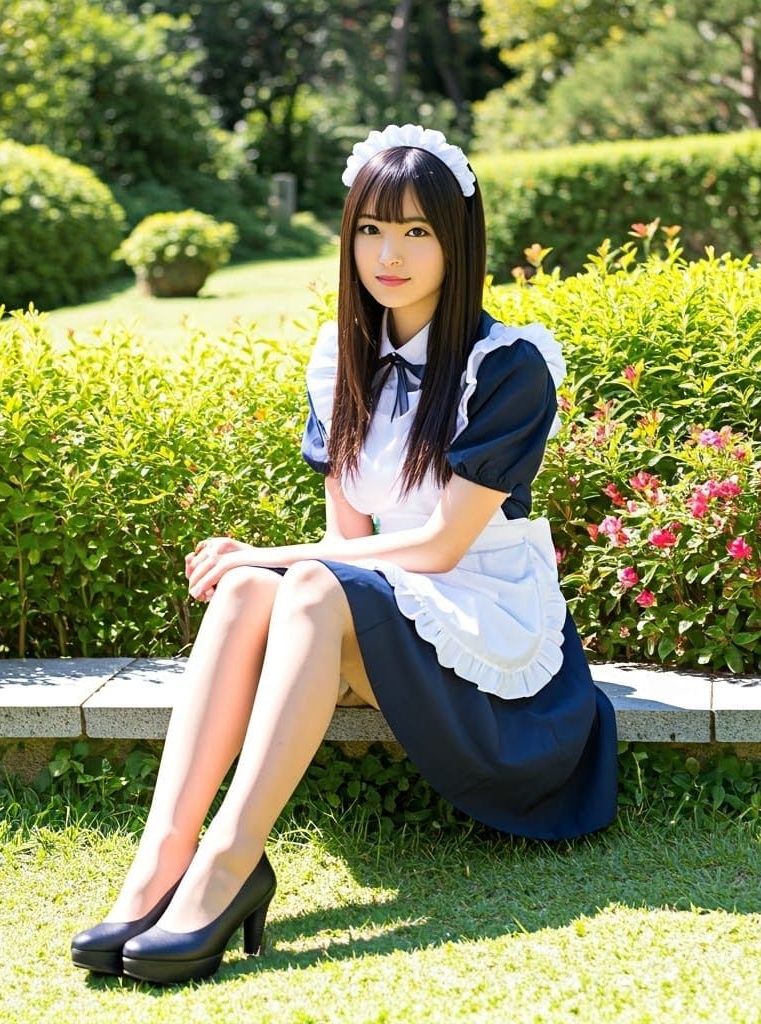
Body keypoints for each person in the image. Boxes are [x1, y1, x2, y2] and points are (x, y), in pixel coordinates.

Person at [70, 123, 618, 986]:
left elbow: (441, 544)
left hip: (489, 629)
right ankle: (162, 859)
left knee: (292, 576)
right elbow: (347, 544)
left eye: (415, 232)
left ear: (456, 240)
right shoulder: (342, 357)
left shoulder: (508, 364)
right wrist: (270, 565)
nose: (387, 254)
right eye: (370, 229)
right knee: (251, 590)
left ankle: (227, 864)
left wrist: (274, 552)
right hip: (394, 603)